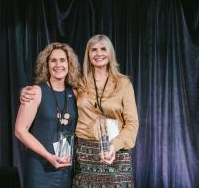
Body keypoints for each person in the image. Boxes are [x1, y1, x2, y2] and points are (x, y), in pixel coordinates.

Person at [21, 34, 139, 187]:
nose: (98, 54)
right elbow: (55, 89)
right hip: (84, 155)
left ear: (110, 53)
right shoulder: (79, 84)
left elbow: (132, 123)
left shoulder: (124, 84)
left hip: (114, 152)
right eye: (93, 50)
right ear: (88, 55)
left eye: (103, 49)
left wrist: (114, 146)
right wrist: (26, 91)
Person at [15, 42, 80, 188]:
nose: (58, 65)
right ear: (47, 65)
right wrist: (48, 156)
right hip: (40, 169)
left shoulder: (75, 93)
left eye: (62, 60)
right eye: (53, 60)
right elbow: (20, 131)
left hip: (64, 168)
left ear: (69, 64)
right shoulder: (35, 91)